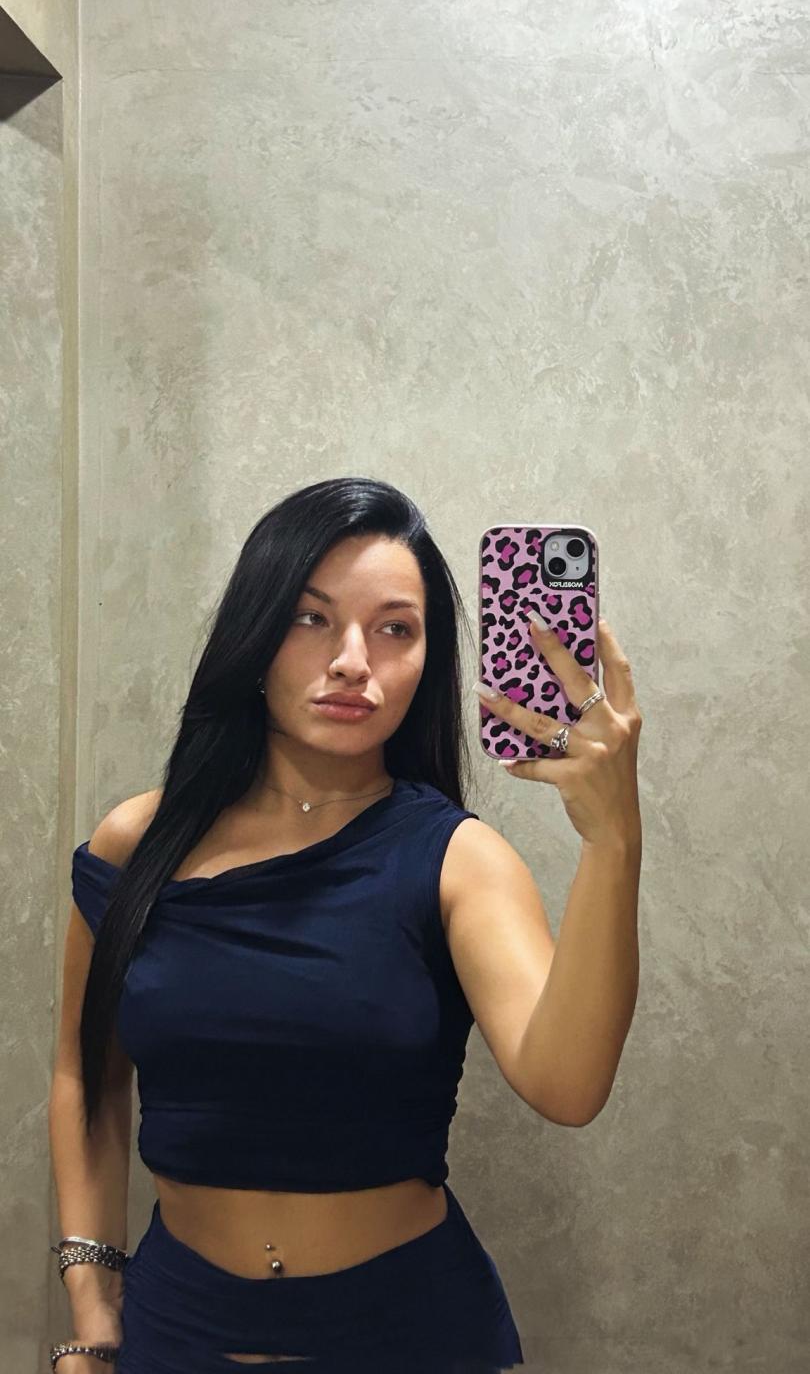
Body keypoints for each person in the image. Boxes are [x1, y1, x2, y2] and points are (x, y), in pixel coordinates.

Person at [49, 476, 642, 1372]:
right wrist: (91, 1319)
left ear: (428, 660)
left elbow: (568, 1086)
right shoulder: (135, 845)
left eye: (395, 629)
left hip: (407, 1337)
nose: (353, 659)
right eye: (311, 618)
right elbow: (85, 1075)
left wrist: (612, 841)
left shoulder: (457, 860)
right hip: (176, 1333)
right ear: (254, 634)